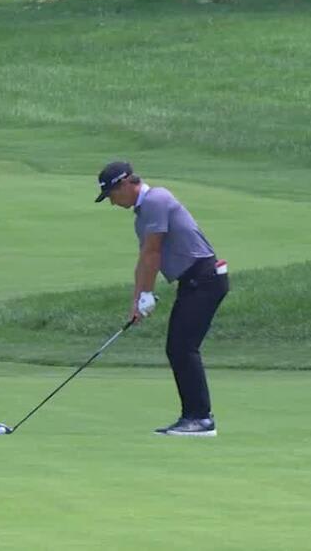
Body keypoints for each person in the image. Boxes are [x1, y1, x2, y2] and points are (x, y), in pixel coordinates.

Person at [95, 161, 229, 437]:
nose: (112, 203)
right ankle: (195, 417)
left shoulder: (157, 200)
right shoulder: (142, 214)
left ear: (126, 184)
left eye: (112, 195)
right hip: (193, 282)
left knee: (182, 347)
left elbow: (153, 253)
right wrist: (137, 302)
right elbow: (144, 260)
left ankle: (200, 419)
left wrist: (146, 294)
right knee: (178, 347)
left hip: (205, 280)